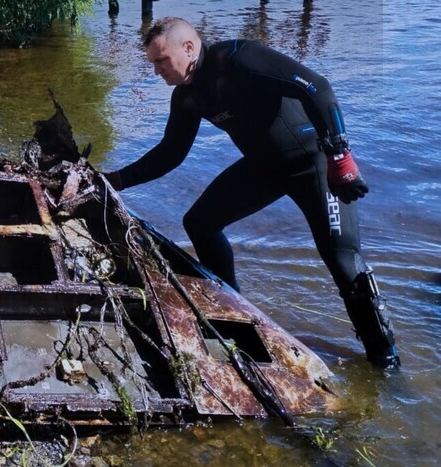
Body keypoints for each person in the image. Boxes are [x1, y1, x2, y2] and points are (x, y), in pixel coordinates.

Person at [103, 17, 400, 369]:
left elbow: (317, 87)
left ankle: (385, 362)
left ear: (188, 47)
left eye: (161, 61)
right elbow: (170, 153)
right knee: (200, 222)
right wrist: (114, 181)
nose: (156, 71)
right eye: (153, 63)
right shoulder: (188, 96)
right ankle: (236, 316)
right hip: (265, 168)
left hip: (315, 165)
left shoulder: (240, 58)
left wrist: (339, 155)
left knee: (341, 259)